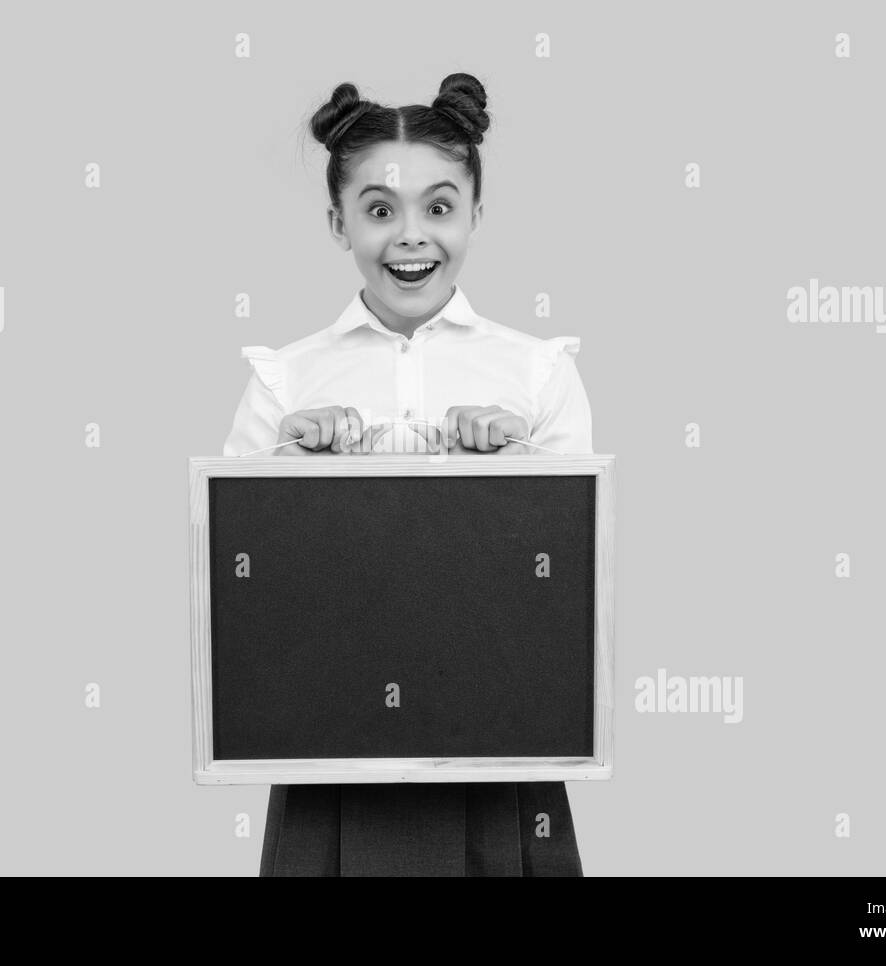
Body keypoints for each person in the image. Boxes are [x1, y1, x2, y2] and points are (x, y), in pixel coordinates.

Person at [221, 73, 594, 876]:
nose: (411, 237)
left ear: (476, 216)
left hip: (499, 755)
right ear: (338, 222)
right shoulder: (284, 382)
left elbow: (568, 598)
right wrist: (285, 479)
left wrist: (523, 482)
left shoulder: (537, 376)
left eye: (439, 206)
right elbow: (248, 607)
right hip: (332, 761)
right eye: (380, 210)